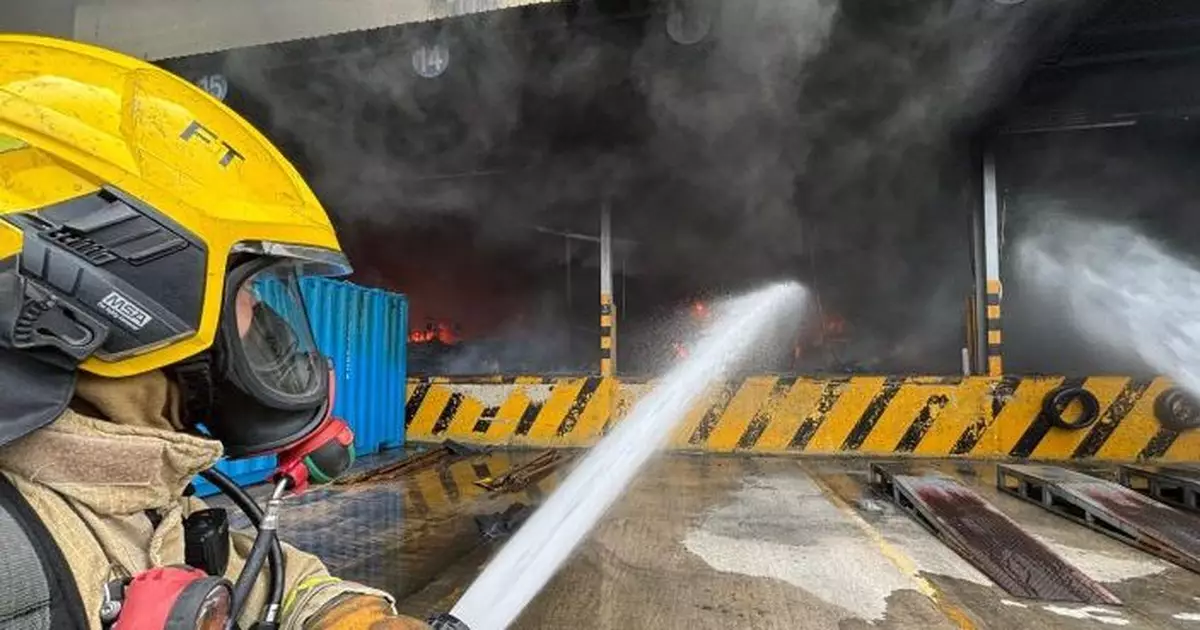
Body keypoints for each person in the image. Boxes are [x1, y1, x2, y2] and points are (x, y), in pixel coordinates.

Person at [0, 34, 428, 629]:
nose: (267, 325)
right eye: (249, 292)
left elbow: (249, 573)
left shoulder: (130, 482)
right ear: (119, 290)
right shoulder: (13, 563)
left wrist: (343, 616)